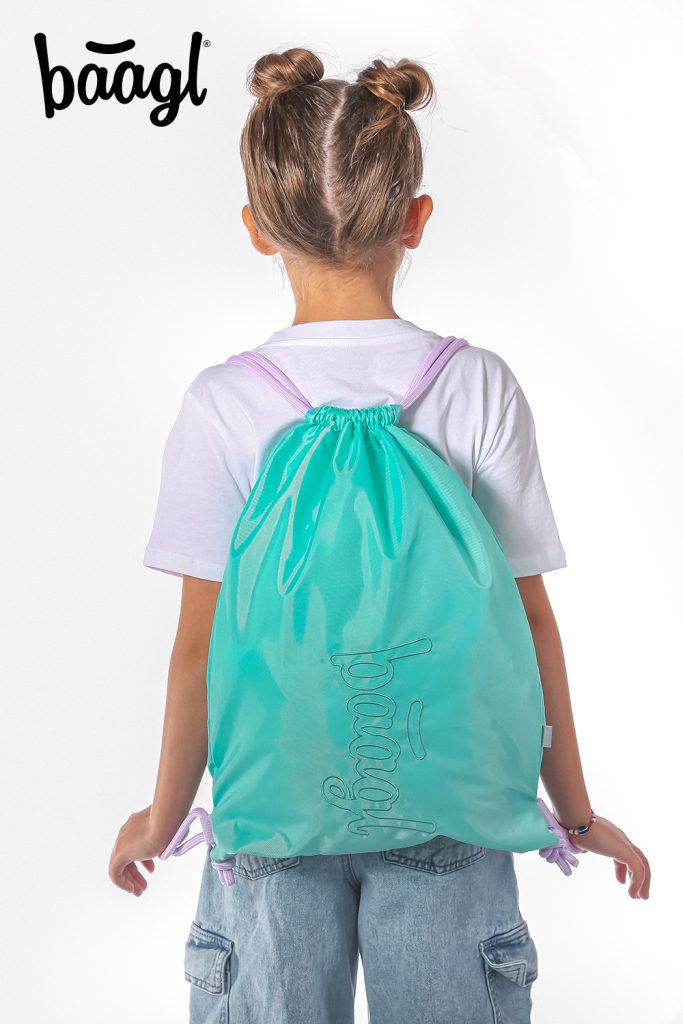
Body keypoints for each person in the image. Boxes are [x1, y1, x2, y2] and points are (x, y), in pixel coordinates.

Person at [108, 47, 650, 1024]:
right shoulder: (475, 385)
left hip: (271, 818)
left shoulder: (224, 404)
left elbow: (198, 649)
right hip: (450, 804)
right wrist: (572, 814)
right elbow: (528, 623)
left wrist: (162, 815)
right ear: (415, 218)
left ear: (256, 227)